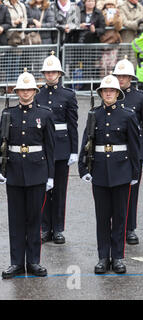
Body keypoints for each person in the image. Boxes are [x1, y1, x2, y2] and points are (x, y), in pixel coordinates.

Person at [78, 74, 140, 274]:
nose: (108, 93)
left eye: (111, 90)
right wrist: (83, 168)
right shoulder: (94, 114)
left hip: (121, 171)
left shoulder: (128, 115)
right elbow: (86, 142)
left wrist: (134, 172)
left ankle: (118, 257)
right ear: (101, 93)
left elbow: (134, 146)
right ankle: (103, 257)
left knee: (120, 217)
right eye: (105, 90)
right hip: (100, 171)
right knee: (102, 217)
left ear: (117, 93)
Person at [1, 69, 55, 279]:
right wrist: (1, 169)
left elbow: (50, 147)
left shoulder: (45, 114)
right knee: (15, 220)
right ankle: (16, 263)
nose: (25, 93)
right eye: (21, 90)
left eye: (28, 89)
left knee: (34, 219)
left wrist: (50, 175)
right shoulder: (8, 114)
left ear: (34, 90)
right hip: (14, 171)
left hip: (37, 172)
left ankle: (33, 261)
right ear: (17, 91)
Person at [36, 52, 78, 245]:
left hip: (62, 146)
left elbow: (72, 124)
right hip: (43, 147)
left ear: (59, 74)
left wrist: (74, 150)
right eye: (47, 72)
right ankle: (45, 228)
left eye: (54, 72)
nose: (50, 75)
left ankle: (58, 229)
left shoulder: (68, 95)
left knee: (60, 190)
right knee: (44, 188)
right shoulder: (38, 95)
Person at [113, 56, 143, 245]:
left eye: (125, 76)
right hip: (114, 151)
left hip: (134, 151)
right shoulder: (109, 95)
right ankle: (115, 226)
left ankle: (129, 228)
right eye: (118, 76)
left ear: (131, 78)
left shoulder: (141, 98)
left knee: (131, 191)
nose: (121, 79)